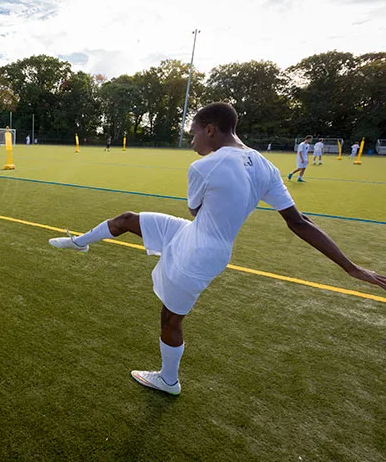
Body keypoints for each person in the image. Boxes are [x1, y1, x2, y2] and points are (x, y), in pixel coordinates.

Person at [48, 102, 386, 395]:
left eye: (194, 133)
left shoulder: (203, 166)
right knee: (127, 219)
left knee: (170, 318)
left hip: (201, 253)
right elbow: (300, 222)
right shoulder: (265, 166)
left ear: (210, 130)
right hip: (197, 235)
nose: (192, 141)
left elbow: (196, 209)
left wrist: (350, 267)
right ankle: (80, 243)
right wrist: (350, 266)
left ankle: (168, 380)